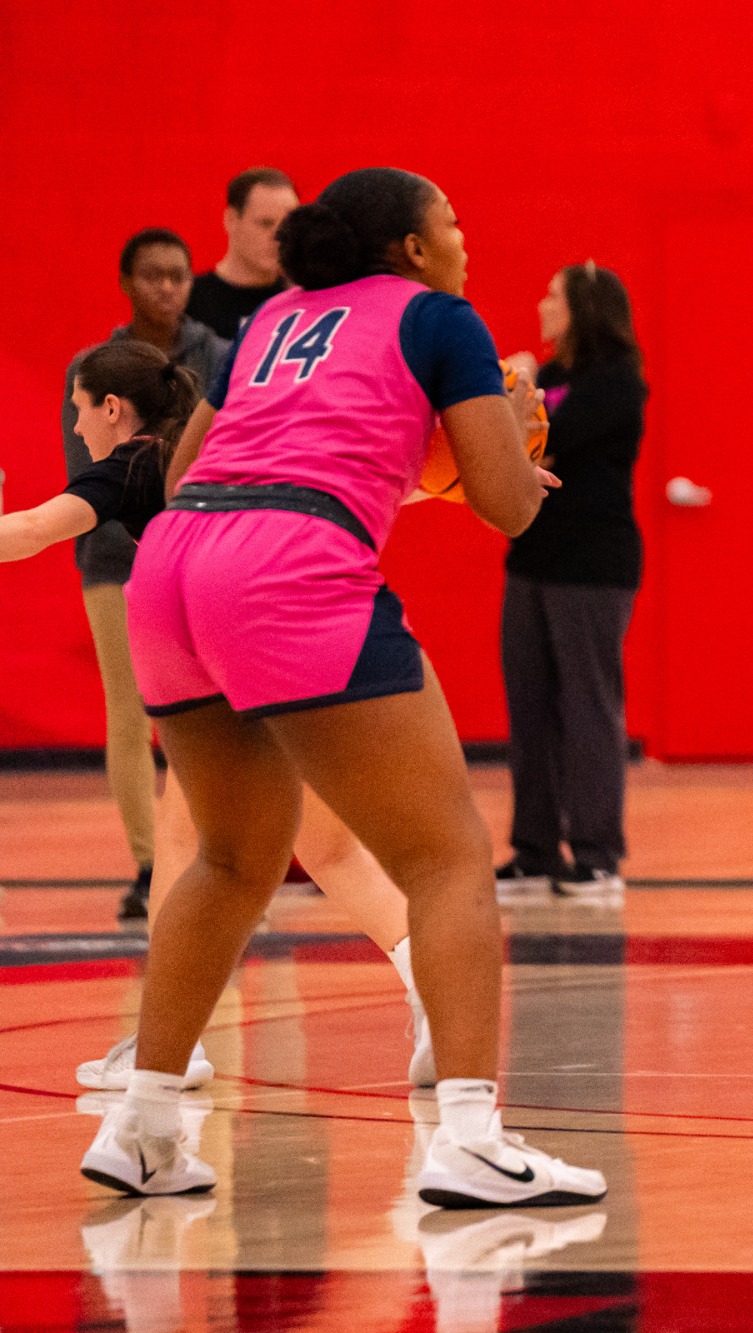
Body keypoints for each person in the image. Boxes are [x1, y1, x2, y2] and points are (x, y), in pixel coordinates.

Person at [78, 166, 603, 1209]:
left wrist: (387, 471)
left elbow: (189, 475)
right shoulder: (441, 318)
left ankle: (140, 1125)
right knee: (446, 853)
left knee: (229, 860)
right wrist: (509, 422)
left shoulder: (274, 317)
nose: (463, 235)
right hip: (291, 565)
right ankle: (468, 1136)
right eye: (450, 220)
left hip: (176, 563)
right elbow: (506, 507)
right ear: (411, 246)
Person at [1, 339, 437, 1090]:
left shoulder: (135, 462)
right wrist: (472, 484)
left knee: (193, 848)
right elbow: (358, 484)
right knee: (320, 848)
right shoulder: (226, 440)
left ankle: (169, 1046)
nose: (77, 432)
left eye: (79, 411)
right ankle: (430, 989)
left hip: (225, 648)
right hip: (297, 632)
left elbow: (36, 529)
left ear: (112, 407)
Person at [61, 230, 231, 922]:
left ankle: (217, 854)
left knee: (210, 714)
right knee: (127, 714)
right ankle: (150, 862)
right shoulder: (95, 365)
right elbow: (84, 479)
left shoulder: (217, 354)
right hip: (114, 560)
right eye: (154, 275)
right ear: (127, 281)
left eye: (179, 275)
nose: (168, 286)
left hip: (194, 560)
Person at [495, 262, 647, 897]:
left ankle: (596, 852)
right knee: (529, 706)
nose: (541, 303)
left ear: (583, 307)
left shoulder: (615, 384)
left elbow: (539, 444)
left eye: (552, 293)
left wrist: (517, 385)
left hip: (592, 564)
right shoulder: (551, 377)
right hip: (532, 557)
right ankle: (535, 850)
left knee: (587, 706)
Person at [186, 168, 298, 341]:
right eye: (265, 223)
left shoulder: (301, 299)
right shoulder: (189, 300)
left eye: (286, 224)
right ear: (231, 219)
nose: (278, 236)